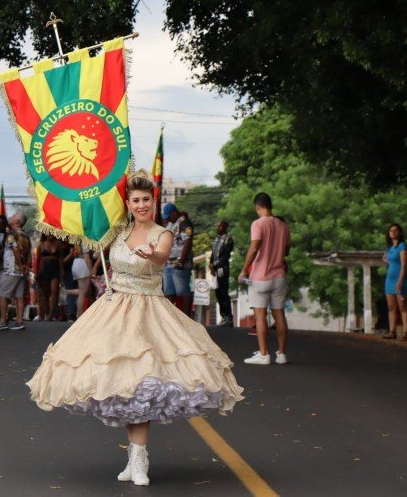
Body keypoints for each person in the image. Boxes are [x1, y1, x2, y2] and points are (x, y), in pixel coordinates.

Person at [27, 170, 243, 486]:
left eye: (146, 200)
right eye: (136, 201)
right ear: (127, 203)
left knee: (141, 385)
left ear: (153, 202)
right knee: (124, 389)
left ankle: (140, 460)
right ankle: (134, 458)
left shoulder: (163, 233)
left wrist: (149, 253)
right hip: (114, 311)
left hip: (148, 313)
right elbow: (91, 233)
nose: (141, 205)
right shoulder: (116, 232)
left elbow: (161, 258)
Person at [238, 192, 291, 365]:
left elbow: (254, 249)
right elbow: (287, 250)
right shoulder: (283, 225)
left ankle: (264, 354)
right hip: (279, 276)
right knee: (280, 315)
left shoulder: (258, 224)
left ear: (258, 207)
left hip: (260, 277)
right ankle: (282, 354)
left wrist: (244, 270)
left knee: (260, 316)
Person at [0, 212, 31, 331]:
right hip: (21, 271)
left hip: (11, 270)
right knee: (19, 296)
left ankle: (2, 321)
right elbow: (28, 253)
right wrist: (25, 266)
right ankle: (19, 321)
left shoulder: (12, 235)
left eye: (13, 216)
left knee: (2, 294)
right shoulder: (25, 235)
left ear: (17, 221)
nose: (11, 217)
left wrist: (20, 265)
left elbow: (15, 250)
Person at [161, 203, 194, 315]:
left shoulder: (185, 223)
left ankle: (187, 317)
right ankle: (169, 319)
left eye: (168, 216)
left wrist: (181, 261)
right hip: (168, 264)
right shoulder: (171, 224)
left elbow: (188, 242)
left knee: (182, 291)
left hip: (180, 264)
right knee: (168, 292)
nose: (168, 219)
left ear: (174, 213)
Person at [382, 223, 407, 340]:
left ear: (400, 233)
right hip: (389, 280)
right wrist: (389, 262)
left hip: (400, 280)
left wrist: (400, 282)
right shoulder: (389, 248)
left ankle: (405, 333)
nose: (393, 232)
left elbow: (404, 265)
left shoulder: (402, 247)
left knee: (403, 306)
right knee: (391, 307)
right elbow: (384, 258)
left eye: (395, 230)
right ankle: (392, 331)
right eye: (391, 231)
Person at [210, 220, 234, 326]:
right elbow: (213, 254)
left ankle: (228, 317)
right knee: (218, 293)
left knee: (224, 292)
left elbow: (225, 257)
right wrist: (211, 265)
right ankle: (223, 316)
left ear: (225, 227)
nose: (217, 227)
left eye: (220, 226)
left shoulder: (228, 239)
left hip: (223, 269)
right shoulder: (216, 239)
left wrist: (215, 264)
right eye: (217, 225)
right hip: (215, 270)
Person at [35, 234, 62, 321]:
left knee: (54, 291)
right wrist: (36, 273)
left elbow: (60, 259)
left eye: (52, 232)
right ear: (45, 234)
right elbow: (37, 260)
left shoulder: (58, 244)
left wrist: (62, 271)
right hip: (44, 269)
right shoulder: (41, 245)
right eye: (48, 232)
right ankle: (46, 313)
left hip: (55, 269)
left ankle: (51, 314)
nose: (51, 234)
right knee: (45, 293)